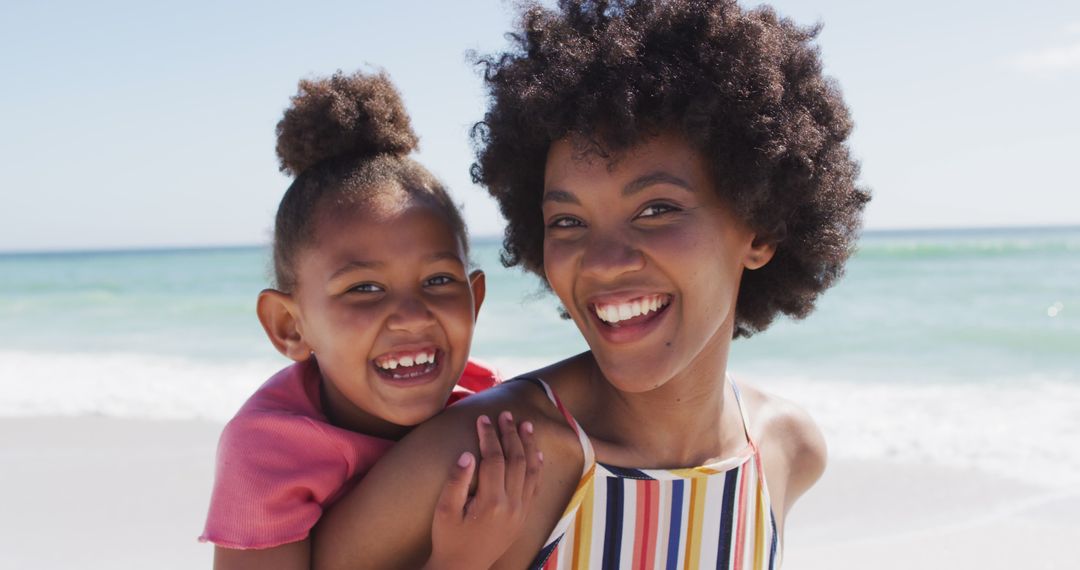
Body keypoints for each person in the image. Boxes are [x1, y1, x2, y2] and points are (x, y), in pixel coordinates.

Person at [314, 1, 869, 568]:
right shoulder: (486, 458)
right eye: (569, 222)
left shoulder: (788, 450)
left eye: (655, 209)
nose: (602, 262)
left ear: (761, 229)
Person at [200, 70, 542, 570]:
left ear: (476, 301)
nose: (410, 316)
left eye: (439, 281)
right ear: (290, 326)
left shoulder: (488, 409)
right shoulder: (269, 453)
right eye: (364, 289)